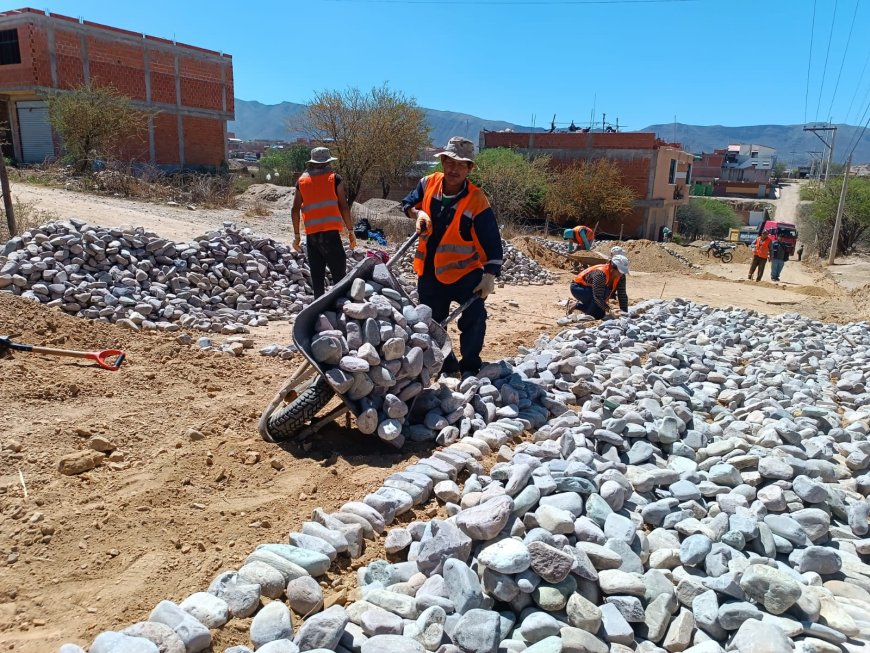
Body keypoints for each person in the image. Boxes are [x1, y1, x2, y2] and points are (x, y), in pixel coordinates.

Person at [401, 136, 503, 377]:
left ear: (469, 168)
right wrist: (418, 214)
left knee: (474, 316)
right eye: (450, 162)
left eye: (461, 165)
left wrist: (490, 275)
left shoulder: (477, 200)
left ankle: (470, 366)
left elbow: (491, 241)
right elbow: (406, 204)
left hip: (465, 272)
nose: (454, 169)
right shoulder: (427, 184)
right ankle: (447, 366)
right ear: (443, 161)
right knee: (433, 322)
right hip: (430, 271)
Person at [291, 147, 357, 298]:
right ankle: (339, 310)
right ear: (327, 162)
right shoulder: (334, 179)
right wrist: (351, 231)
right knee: (339, 275)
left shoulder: (301, 181)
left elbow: (295, 209)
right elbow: (344, 206)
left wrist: (296, 235)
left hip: (312, 236)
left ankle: (319, 311)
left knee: (317, 277)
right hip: (331, 235)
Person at [568, 255, 630, 319]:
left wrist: (624, 313)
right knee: (603, 295)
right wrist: (609, 310)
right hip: (578, 288)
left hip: (594, 290)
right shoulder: (600, 275)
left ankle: (576, 305)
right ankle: (588, 311)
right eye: (620, 271)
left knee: (600, 315)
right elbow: (598, 296)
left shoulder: (621, 276)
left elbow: (622, 294)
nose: (621, 274)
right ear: (612, 267)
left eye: (623, 272)